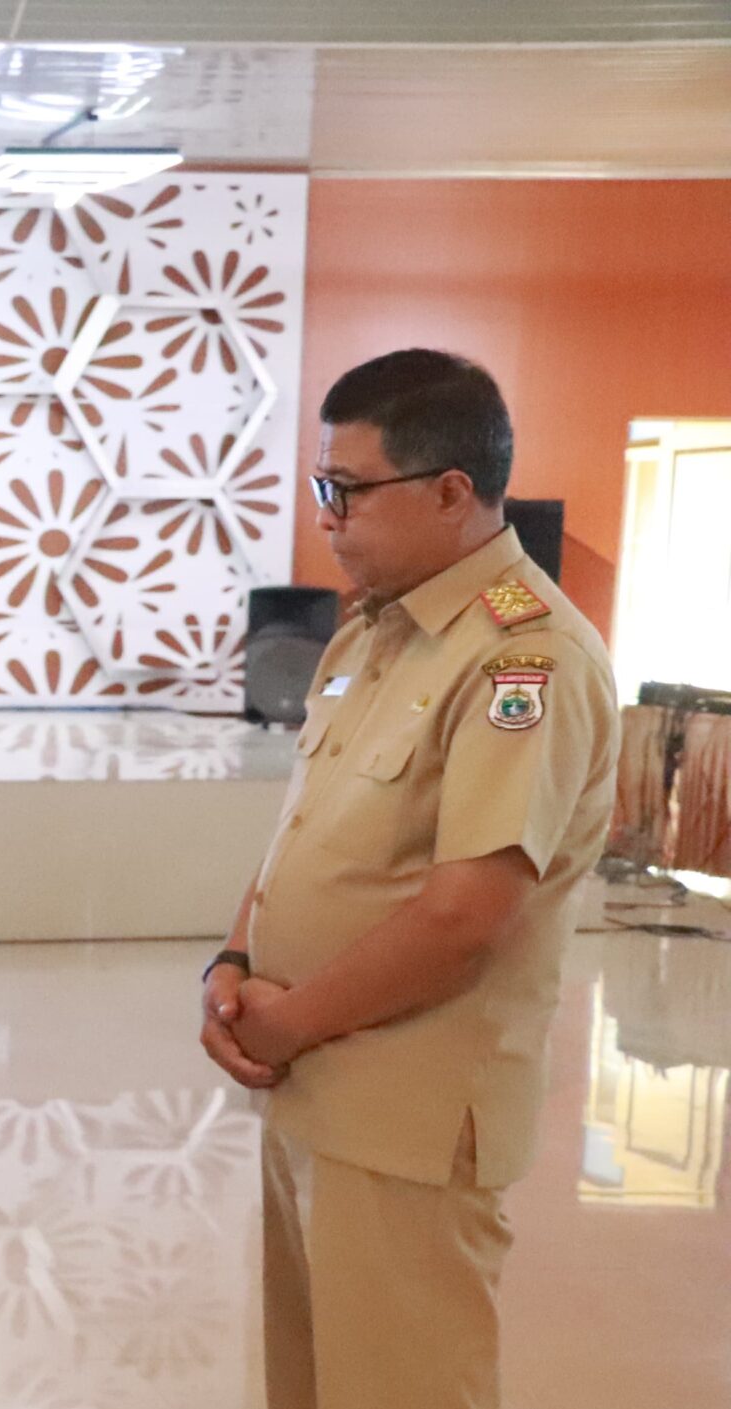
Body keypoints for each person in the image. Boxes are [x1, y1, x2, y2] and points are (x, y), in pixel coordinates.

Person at [199, 349, 619, 1409]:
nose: (326, 516)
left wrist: (286, 1026)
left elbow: (463, 918)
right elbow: (306, 829)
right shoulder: (371, 635)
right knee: (308, 1383)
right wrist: (235, 958)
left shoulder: (525, 658)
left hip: (406, 1117)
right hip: (313, 1088)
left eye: (347, 489)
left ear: (449, 491)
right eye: (321, 485)